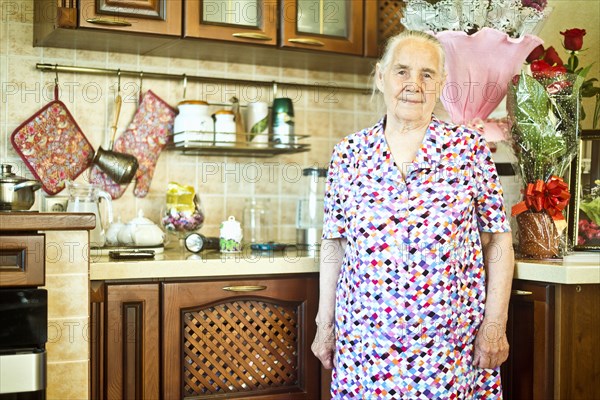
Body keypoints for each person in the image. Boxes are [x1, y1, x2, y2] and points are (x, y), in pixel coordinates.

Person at [311, 30, 514, 399]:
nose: (413, 84)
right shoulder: (348, 154)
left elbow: (498, 237)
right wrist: (325, 323)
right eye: (402, 71)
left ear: (442, 83)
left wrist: (494, 324)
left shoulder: (468, 150)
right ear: (380, 76)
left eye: (427, 74)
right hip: (366, 346)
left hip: (449, 346)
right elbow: (335, 244)